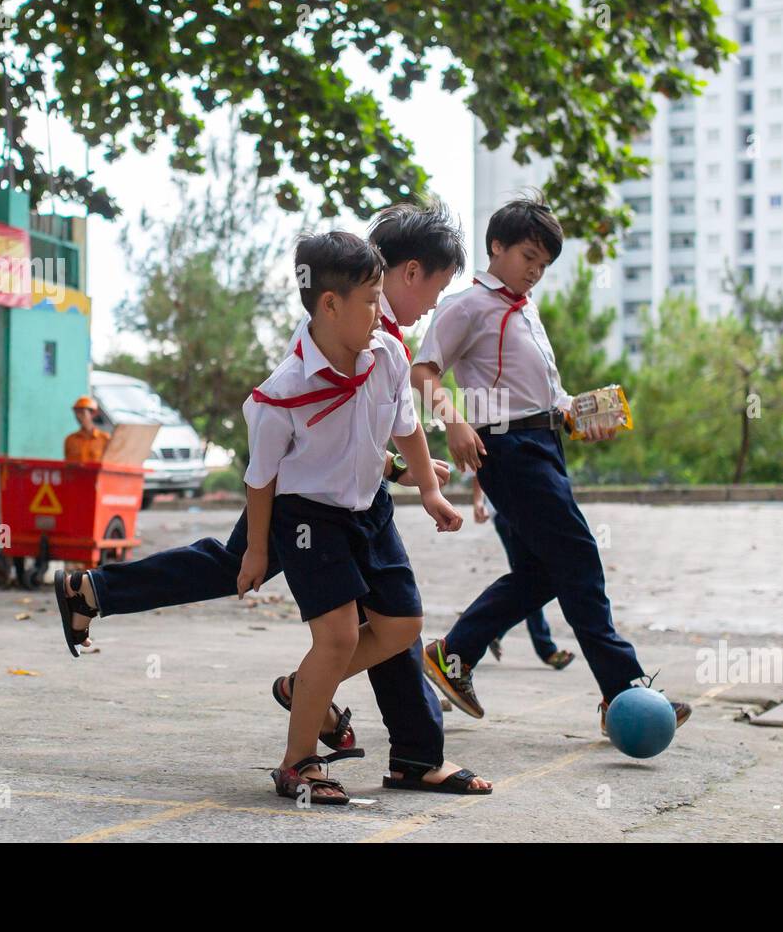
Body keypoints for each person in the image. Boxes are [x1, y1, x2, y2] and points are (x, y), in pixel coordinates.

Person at [53, 201, 492, 794]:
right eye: (436, 287)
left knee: (374, 615)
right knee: (314, 609)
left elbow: (378, 423)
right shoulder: (338, 334)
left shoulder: (376, 338)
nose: (436, 304)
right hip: (304, 503)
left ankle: (97, 591)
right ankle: (362, 741)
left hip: (349, 497)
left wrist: (406, 474)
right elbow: (300, 442)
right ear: (408, 273)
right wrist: (393, 470)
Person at [412, 192, 692, 737]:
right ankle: (622, 688)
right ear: (496, 247)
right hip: (508, 451)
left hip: (544, 446)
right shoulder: (467, 306)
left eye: (542, 266)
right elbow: (422, 373)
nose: (534, 273)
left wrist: (577, 413)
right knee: (581, 558)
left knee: (545, 571)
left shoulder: (526, 309)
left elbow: (547, 394)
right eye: (527, 258)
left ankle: (455, 653)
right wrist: (455, 421)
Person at [238, 231, 461, 803]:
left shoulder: (386, 355)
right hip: (309, 519)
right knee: (336, 638)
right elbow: (259, 480)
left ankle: (307, 683)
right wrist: (258, 552)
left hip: (369, 512)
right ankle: (298, 764)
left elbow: (406, 428)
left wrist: (431, 492)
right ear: (330, 304)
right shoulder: (280, 394)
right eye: (369, 300)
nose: (378, 310)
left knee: (401, 626)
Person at [471, 476, 575, 670]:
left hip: (532, 505)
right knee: (532, 579)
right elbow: (478, 463)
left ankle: (492, 629)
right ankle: (545, 649)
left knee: (532, 578)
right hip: (508, 510)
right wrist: (478, 501)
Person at [63, 396, 109, 464]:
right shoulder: (70, 440)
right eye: (77, 413)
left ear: (93, 413)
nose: (78, 416)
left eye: (82, 412)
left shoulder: (105, 439)